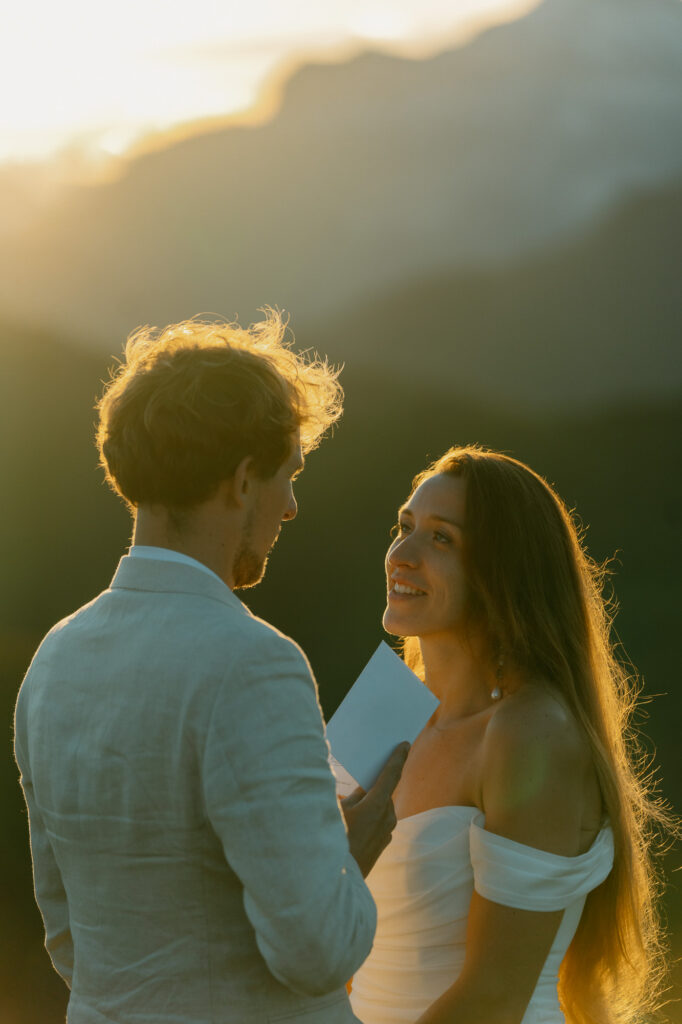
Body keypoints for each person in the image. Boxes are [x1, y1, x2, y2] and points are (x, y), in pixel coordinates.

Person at [14, 310, 407, 1024]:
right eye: (287, 476)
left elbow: (68, 933)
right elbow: (319, 953)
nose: (290, 508)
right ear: (242, 479)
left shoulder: (54, 658)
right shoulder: (255, 663)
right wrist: (343, 860)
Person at [349, 445, 675, 1024]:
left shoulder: (532, 734)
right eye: (404, 528)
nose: (401, 554)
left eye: (441, 538)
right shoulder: (382, 701)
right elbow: (319, 919)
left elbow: (494, 996)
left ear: (505, 570)